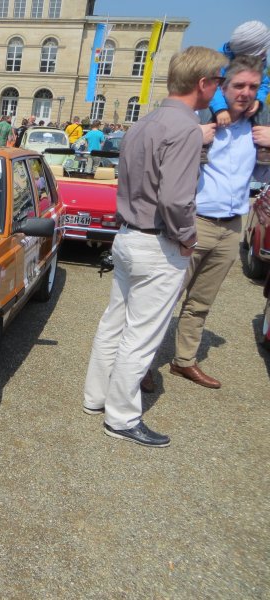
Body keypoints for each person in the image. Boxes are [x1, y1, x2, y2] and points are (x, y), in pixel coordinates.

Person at [82, 46, 227, 448]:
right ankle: (122, 418)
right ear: (202, 84)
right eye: (216, 81)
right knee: (140, 335)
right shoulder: (183, 129)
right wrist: (188, 238)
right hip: (157, 241)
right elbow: (177, 200)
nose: (218, 89)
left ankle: (96, 398)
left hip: (128, 234)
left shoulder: (143, 124)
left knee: (115, 322)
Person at [168, 56, 270, 389]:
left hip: (231, 226)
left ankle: (183, 360)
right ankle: (138, 366)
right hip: (195, 221)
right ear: (221, 87)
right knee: (165, 297)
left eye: (253, 86)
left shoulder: (256, 132)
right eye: (238, 85)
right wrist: (195, 136)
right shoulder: (199, 122)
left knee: (201, 301)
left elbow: (261, 175)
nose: (245, 92)